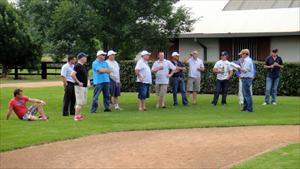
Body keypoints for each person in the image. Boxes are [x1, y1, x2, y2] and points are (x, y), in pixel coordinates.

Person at [71, 52, 88, 121]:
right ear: (82, 58)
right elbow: (72, 74)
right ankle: (76, 116)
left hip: (84, 86)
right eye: (85, 57)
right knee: (79, 102)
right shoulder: (77, 66)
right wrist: (78, 82)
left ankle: (79, 115)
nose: (86, 58)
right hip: (79, 86)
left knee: (82, 102)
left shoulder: (82, 66)